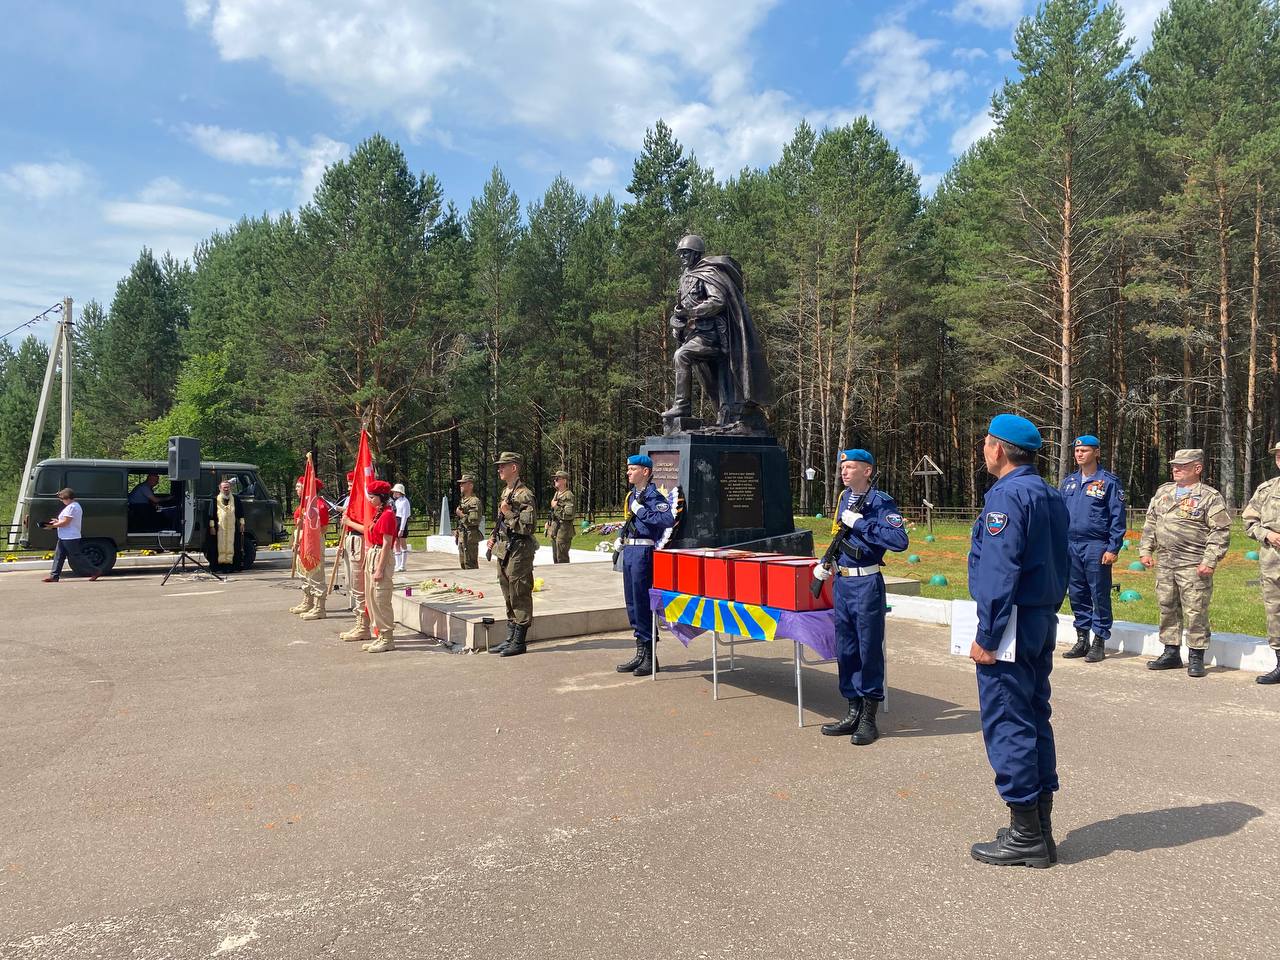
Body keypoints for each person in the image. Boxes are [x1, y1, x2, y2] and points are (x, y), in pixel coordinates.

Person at [967, 414, 1068, 869]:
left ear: (1000, 449)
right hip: (1040, 617)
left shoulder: (1007, 497)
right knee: (1033, 714)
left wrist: (987, 636)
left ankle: (1026, 835)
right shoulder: (1050, 493)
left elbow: (998, 571)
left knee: (1008, 719)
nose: (983, 450)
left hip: (1009, 624)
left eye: (986, 443)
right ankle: (1039, 828)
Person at [812, 449, 909, 746]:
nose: (844, 471)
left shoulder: (881, 502)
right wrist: (826, 563)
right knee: (847, 647)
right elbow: (840, 536)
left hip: (867, 583)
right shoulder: (844, 499)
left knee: (869, 649)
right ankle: (852, 710)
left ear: (867, 471)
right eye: (842, 466)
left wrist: (861, 523)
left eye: (851, 467)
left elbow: (899, 541)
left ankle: (869, 717)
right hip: (842, 582)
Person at [659, 234, 773, 433]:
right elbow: (682, 308)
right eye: (680, 253)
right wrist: (677, 320)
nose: (682, 257)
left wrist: (691, 312)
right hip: (694, 334)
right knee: (702, 373)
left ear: (696, 253)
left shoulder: (708, 273)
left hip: (714, 336)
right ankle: (718, 411)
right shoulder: (684, 278)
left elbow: (717, 301)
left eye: (686, 252)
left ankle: (682, 406)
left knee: (682, 356)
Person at [1139, 449, 1231, 678]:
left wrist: (1210, 560)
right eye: (1174, 465)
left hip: (1193, 563)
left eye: (1182, 465)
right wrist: (1145, 550)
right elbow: (1151, 522)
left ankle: (1196, 656)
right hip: (1166, 562)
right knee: (1167, 607)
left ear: (1197, 468)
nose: (1176, 468)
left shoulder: (1210, 496)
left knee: (1195, 610)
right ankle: (1171, 652)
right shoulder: (1164, 491)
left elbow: (1220, 531)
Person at [1058, 435, 1127, 663]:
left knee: (1099, 593)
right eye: (1077, 451)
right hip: (1071, 546)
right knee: (1077, 593)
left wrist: (1113, 547)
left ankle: (1099, 640)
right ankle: (1082, 638)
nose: (1079, 454)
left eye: (1085, 451)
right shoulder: (1069, 482)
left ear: (1096, 453)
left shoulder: (1108, 482)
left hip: (1096, 545)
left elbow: (1117, 517)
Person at [615, 454, 678, 677]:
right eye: (628, 469)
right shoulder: (634, 495)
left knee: (642, 602)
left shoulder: (653, 496)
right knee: (632, 603)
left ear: (645, 471)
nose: (628, 472)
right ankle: (640, 653)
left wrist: (640, 510)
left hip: (643, 552)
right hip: (630, 551)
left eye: (632, 469)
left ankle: (651, 656)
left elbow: (666, 520)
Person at [486, 452, 538, 657]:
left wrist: (508, 512)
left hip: (519, 549)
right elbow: (502, 520)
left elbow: (528, 526)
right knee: (507, 591)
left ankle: (519, 640)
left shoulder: (524, 494)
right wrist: (493, 536)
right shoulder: (506, 492)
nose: (499, 469)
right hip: (504, 548)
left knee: (519, 592)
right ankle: (510, 637)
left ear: (514, 468)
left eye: (503, 466)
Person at [1242, 441, 1280, 685]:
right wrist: (1267, 534)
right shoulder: (1266, 490)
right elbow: (1249, 522)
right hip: (1273, 562)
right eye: (1278, 456)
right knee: (1275, 612)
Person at [361, 479, 398, 654]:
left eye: (372, 496)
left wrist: (379, 568)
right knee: (371, 597)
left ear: (381, 497)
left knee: (381, 598)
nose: (369, 499)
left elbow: (386, 544)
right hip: (373, 555)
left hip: (381, 557)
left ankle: (387, 637)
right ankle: (381, 636)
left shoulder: (387, 515)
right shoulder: (380, 513)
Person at [289, 475, 330, 620]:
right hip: (302, 541)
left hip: (313, 543)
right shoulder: (304, 504)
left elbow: (323, 528)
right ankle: (308, 600)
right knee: (304, 573)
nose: (296, 489)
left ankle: (320, 607)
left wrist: (308, 533)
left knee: (315, 574)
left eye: (299, 486)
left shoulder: (319, 505)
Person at [41, 487, 101, 582]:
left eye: (62, 499)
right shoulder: (72, 506)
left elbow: (66, 522)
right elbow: (66, 521)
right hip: (64, 536)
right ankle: (54, 576)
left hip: (70, 536)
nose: (61, 501)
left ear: (67, 498)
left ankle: (95, 570)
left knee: (76, 556)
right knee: (59, 555)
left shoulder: (72, 507)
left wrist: (52, 526)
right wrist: (57, 522)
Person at [338, 470, 370, 643]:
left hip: (360, 543)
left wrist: (349, 522)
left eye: (352, 484)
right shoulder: (354, 500)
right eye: (349, 485)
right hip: (352, 541)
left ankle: (363, 626)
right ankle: (360, 623)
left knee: (359, 585)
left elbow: (367, 527)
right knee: (352, 583)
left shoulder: (364, 502)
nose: (349, 488)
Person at [207, 478, 245, 572]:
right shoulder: (215, 499)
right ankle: (218, 567)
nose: (226, 489)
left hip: (232, 528)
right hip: (219, 528)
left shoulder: (235, 499)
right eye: (224, 488)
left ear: (230, 488)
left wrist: (242, 524)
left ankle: (232, 567)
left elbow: (241, 513)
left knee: (233, 546)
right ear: (220, 488)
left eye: (228, 487)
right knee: (217, 547)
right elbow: (211, 515)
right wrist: (212, 527)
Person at [546, 470, 576, 563]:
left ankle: (566, 576)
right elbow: (554, 512)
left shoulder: (568, 495)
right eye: (555, 479)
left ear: (564, 481)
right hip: (555, 528)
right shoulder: (557, 493)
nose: (555, 481)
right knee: (555, 557)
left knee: (562, 557)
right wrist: (549, 523)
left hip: (564, 530)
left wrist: (556, 507)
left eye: (557, 479)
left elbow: (569, 515)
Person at [454, 474, 482, 570]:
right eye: (460, 483)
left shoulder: (474, 501)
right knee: (463, 563)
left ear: (470, 485)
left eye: (463, 483)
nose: (460, 485)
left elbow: (473, 521)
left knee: (470, 564)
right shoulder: (463, 500)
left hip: (470, 536)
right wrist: (458, 530)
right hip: (463, 535)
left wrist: (461, 515)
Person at [391, 483, 411, 573]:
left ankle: (402, 565)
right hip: (396, 521)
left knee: (402, 543)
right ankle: (398, 564)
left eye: (396, 492)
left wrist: (402, 529)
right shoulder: (397, 501)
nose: (394, 493)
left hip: (401, 522)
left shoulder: (405, 501)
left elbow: (404, 516)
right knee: (396, 543)